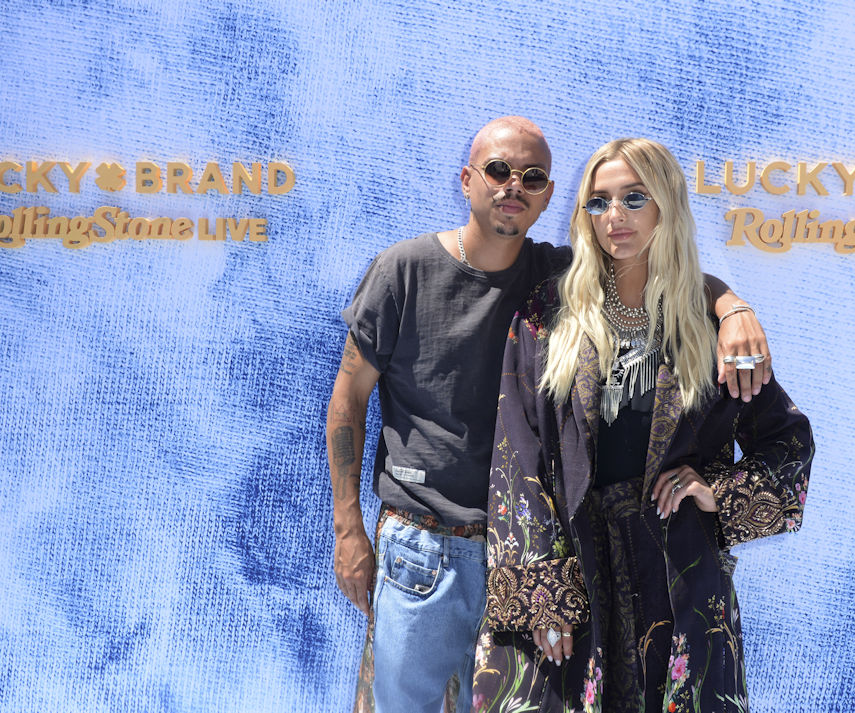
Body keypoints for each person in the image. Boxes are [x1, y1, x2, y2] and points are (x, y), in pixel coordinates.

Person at [327, 119, 774, 713]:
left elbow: (658, 272)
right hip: (432, 545)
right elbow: (351, 401)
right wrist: (349, 530)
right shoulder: (422, 275)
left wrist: (732, 306)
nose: (513, 185)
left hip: (595, 569)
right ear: (467, 179)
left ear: (548, 195)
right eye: (498, 170)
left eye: (532, 177)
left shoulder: (563, 281)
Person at [473, 138, 814, 713]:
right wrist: (542, 593)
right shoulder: (548, 314)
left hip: (678, 576)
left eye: (634, 198)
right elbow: (516, 454)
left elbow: (788, 439)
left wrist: (718, 491)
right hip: (577, 572)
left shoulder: (710, 328)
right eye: (599, 202)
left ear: (667, 204)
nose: (615, 216)